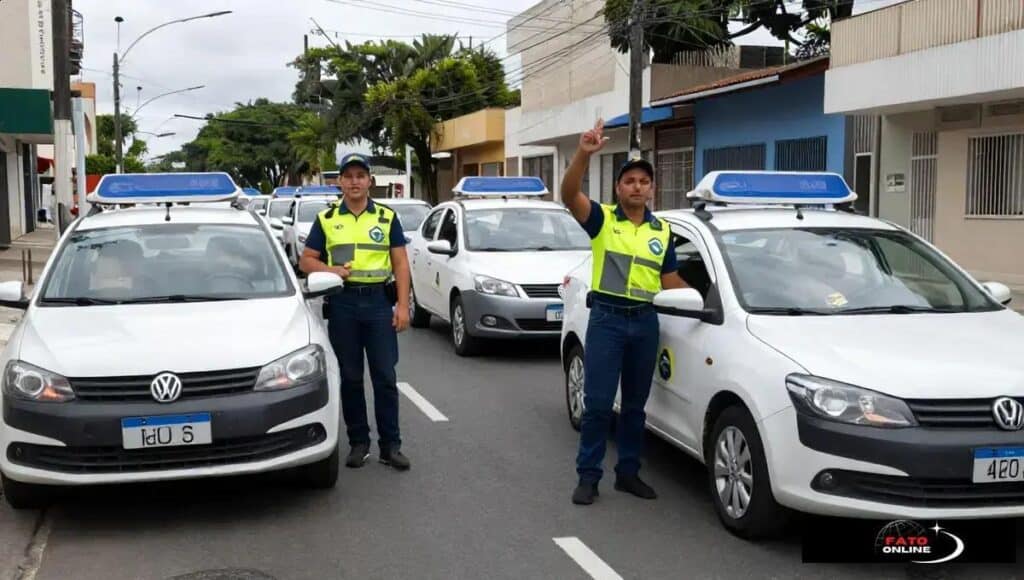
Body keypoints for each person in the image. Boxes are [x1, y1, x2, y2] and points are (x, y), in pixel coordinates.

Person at [560, 119, 689, 505]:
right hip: (608, 321)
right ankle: (588, 476)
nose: (637, 186)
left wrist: (705, 300)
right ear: (618, 188)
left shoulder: (662, 231)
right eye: (629, 181)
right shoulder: (602, 220)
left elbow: (670, 280)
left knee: (636, 407)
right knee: (599, 405)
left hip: (645, 323)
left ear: (652, 189)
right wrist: (584, 152)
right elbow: (569, 194)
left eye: (643, 181)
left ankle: (628, 474)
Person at [300, 153, 413, 471]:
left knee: (385, 378)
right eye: (348, 176)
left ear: (369, 181)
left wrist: (402, 305)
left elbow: (401, 263)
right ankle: (359, 443)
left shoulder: (387, 217)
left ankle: (391, 446)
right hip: (343, 304)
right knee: (350, 378)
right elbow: (306, 261)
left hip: (378, 304)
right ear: (339, 182)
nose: (354, 181)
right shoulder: (326, 219)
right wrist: (332, 269)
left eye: (360, 176)